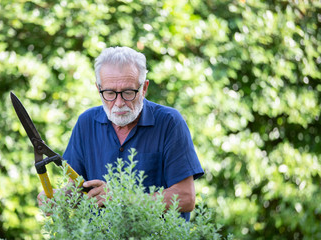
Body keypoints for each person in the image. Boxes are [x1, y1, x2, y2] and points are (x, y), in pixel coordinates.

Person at [38, 46, 204, 221]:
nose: (118, 103)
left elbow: (186, 198)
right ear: (98, 89)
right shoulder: (86, 123)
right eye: (109, 93)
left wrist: (123, 199)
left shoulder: (170, 122)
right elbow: (78, 188)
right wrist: (57, 199)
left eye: (128, 93)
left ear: (144, 88)